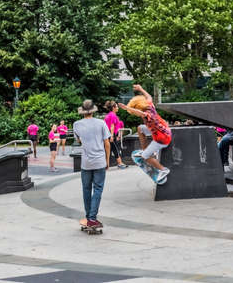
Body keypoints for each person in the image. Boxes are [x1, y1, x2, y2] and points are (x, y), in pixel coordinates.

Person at [119, 84, 172, 183]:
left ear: (138, 108)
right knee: (140, 128)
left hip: (162, 139)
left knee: (145, 157)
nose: (134, 114)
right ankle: (145, 150)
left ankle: (163, 170)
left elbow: (140, 113)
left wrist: (127, 108)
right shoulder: (149, 105)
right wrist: (141, 89)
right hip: (163, 131)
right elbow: (149, 96)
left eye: (134, 112)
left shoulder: (148, 114)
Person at [73, 99, 111, 229]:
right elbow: (107, 143)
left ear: (83, 111)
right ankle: (92, 218)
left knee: (86, 189)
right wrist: (107, 160)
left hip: (86, 162)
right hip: (99, 160)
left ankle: (89, 216)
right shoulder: (101, 123)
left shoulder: (76, 124)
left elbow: (79, 140)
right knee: (98, 189)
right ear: (93, 110)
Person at [104, 100, 127, 169]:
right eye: (116, 107)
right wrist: (111, 136)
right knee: (115, 149)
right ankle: (119, 163)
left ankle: (107, 165)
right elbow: (112, 126)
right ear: (113, 108)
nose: (118, 108)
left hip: (107, 134)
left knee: (111, 149)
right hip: (111, 134)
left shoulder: (108, 115)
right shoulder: (113, 115)